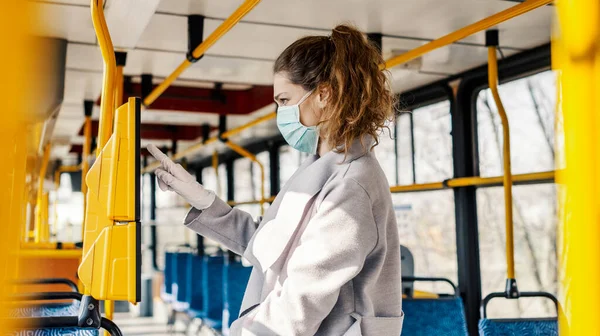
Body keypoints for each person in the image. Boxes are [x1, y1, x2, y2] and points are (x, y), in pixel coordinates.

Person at [148, 24, 403, 336]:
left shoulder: (352, 183)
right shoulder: (318, 166)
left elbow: (304, 297)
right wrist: (204, 201)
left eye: (284, 100)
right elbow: (274, 246)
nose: (279, 112)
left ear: (323, 94)